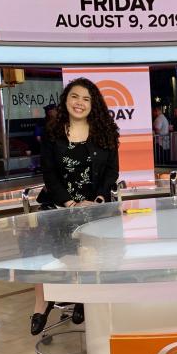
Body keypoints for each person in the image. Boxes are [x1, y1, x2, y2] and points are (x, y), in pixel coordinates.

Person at [30, 77, 119, 336]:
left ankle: (82, 298)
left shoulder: (106, 132)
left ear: (94, 104)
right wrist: (69, 203)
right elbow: (49, 174)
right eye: (74, 97)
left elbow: (111, 172)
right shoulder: (52, 134)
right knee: (42, 253)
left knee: (90, 249)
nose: (79, 103)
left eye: (86, 98)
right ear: (66, 100)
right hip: (60, 205)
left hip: (94, 206)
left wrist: (99, 200)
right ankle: (42, 303)